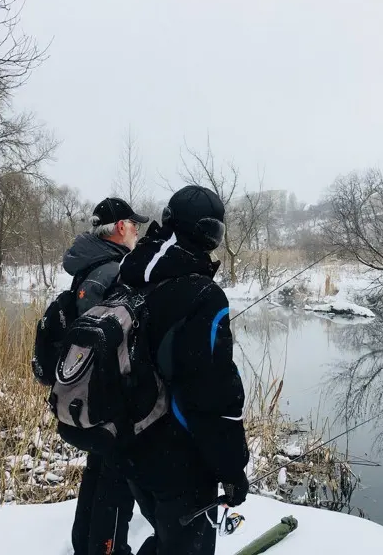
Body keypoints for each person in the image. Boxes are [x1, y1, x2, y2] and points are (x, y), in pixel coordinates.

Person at [118, 185, 250, 555]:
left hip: (130, 447)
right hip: (180, 463)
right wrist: (232, 469)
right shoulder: (203, 295)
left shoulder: (128, 274)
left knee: (164, 538)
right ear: (209, 235)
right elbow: (214, 394)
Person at [62, 196, 149, 555]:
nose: (137, 231)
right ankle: (105, 549)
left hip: (83, 392)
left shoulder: (88, 264)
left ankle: (85, 545)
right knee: (114, 485)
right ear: (119, 227)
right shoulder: (112, 270)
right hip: (107, 396)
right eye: (134, 225)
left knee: (98, 470)